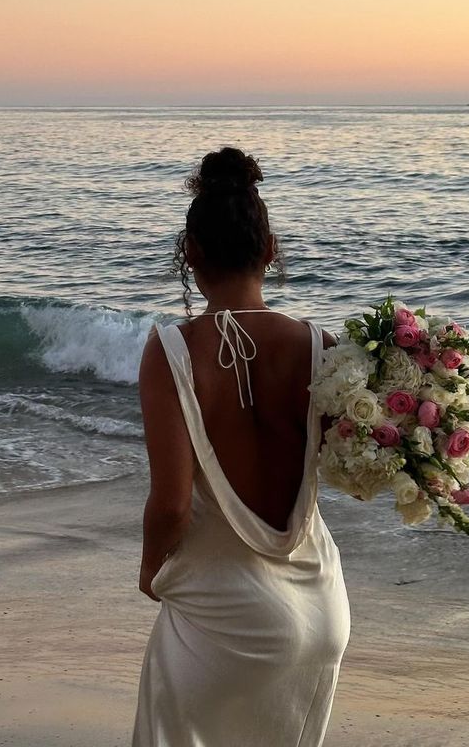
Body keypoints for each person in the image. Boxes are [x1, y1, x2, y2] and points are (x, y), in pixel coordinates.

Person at [131, 146, 351, 746]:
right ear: (271, 250)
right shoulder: (320, 346)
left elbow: (172, 505)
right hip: (320, 612)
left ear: (191, 252)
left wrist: (152, 571)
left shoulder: (172, 351)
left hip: (224, 618)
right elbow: (350, 462)